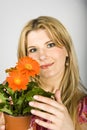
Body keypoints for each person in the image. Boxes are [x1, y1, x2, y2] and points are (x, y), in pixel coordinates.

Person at [0, 16, 87, 130]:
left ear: (67, 50)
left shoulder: (83, 107)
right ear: (25, 58)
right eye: (33, 50)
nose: (42, 56)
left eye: (50, 45)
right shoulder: (11, 95)